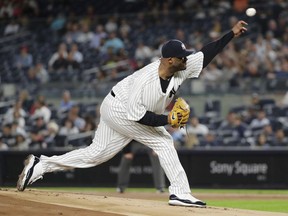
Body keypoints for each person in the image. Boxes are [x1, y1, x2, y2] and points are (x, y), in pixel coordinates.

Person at [17, 20, 247, 208]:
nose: (186, 58)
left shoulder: (180, 69)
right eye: (182, 56)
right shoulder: (145, 82)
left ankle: (41, 165)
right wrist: (168, 120)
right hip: (121, 109)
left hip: (120, 106)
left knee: (95, 155)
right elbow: (139, 117)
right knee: (164, 142)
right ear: (169, 60)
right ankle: (180, 193)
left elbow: (207, 53)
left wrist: (231, 34)